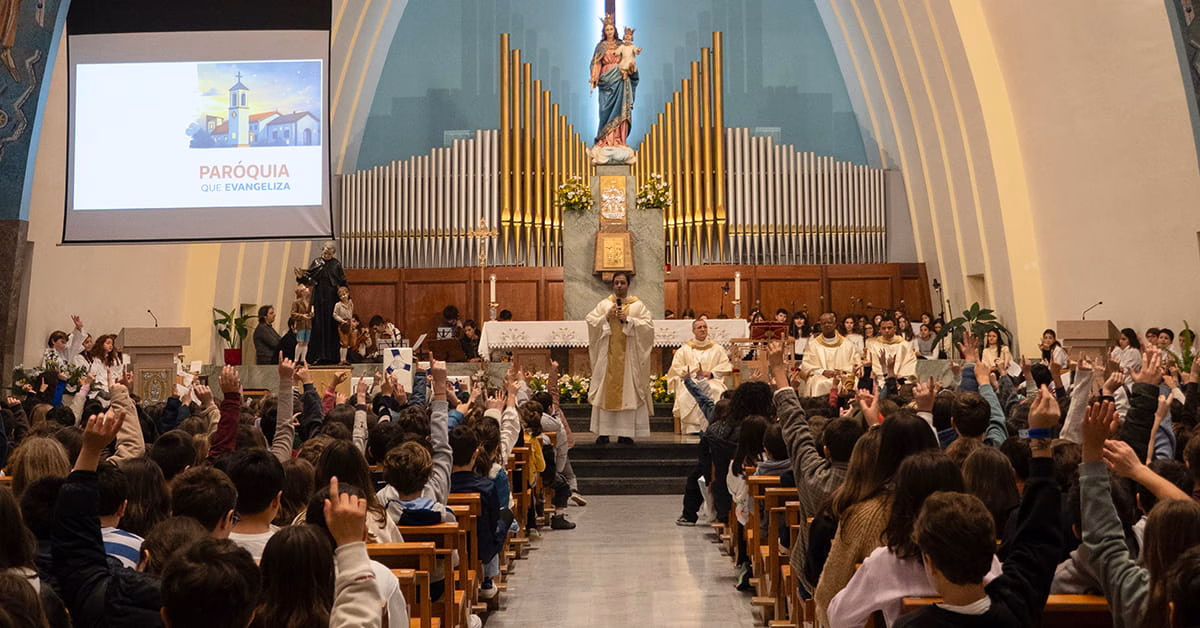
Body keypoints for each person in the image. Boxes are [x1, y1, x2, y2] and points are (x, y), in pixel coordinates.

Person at [891, 385, 1065, 628]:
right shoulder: (1017, 604)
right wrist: (1041, 439)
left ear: (930, 563)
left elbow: (1037, 540)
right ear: (991, 552)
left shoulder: (910, 626)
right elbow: (1038, 538)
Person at [585, 272, 654, 445]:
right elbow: (591, 321)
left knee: (628, 393)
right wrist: (606, 317)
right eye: (616, 283)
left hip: (629, 359)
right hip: (608, 357)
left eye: (622, 282)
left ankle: (626, 433)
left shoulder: (637, 306)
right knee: (604, 394)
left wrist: (629, 320)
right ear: (612, 285)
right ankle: (604, 432)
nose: (619, 286)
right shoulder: (604, 304)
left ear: (628, 285)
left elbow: (648, 326)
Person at [665, 318, 732, 434]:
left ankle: (714, 425)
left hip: (712, 380)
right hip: (691, 380)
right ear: (693, 331)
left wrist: (711, 373)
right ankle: (692, 428)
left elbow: (725, 365)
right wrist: (692, 372)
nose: (703, 329)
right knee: (688, 392)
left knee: (715, 390)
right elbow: (676, 367)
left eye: (705, 327)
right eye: (699, 327)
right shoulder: (684, 349)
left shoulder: (717, 348)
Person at [589, 13, 638, 148]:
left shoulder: (621, 45)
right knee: (605, 110)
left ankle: (619, 140)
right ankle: (606, 139)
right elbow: (596, 63)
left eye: (611, 29)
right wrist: (594, 77)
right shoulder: (601, 46)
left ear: (615, 30)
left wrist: (631, 68)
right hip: (606, 80)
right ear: (604, 31)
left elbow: (629, 58)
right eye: (607, 29)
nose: (609, 31)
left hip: (621, 78)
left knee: (621, 108)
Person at [295, 242, 348, 365]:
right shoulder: (316, 262)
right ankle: (317, 355)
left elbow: (342, 280)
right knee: (318, 325)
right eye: (325, 253)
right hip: (319, 298)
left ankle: (332, 356)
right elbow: (308, 277)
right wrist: (301, 277)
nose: (326, 255)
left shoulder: (336, 264)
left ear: (333, 254)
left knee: (331, 325)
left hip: (332, 297)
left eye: (329, 254)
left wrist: (346, 295)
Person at [800, 312, 859, 397]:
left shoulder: (847, 344)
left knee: (853, 382)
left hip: (842, 376)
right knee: (818, 383)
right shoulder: (813, 345)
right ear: (820, 326)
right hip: (820, 376)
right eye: (824, 323)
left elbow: (856, 364)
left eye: (829, 322)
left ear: (835, 324)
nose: (827, 325)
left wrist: (842, 372)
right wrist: (822, 371)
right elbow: (805, 366)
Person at [290, 283, 314, 364]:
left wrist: (311, 314)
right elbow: (293, 314)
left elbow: (310, 312)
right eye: (305, 289)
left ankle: (303, 359)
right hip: (301, 324)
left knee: (306, 342)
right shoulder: (296, 302)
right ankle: (296, 359)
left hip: (308, 324)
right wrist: (302, 316)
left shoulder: (309, 302)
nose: (307, 290)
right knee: (300, 342)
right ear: (301, 292)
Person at [333, 287, 354, 364]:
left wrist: (351, 323)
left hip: (349, 323)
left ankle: (344, 359)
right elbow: (334, 314)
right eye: (341, 296)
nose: (343, 296)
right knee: (343, 342)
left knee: (347, 343)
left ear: (348, 294)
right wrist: (341, 320)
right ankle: (341, 359)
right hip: (342, 324)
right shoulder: (338, 305)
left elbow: (351, 313)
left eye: (344, 294)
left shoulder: (350, 303)